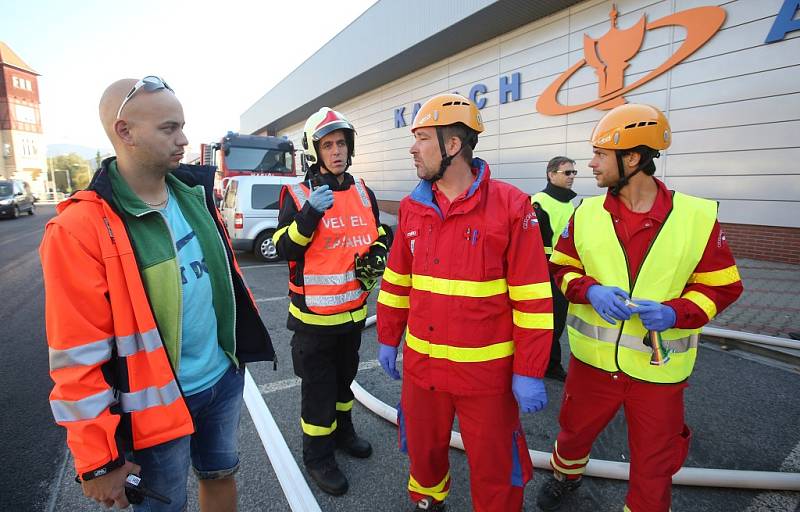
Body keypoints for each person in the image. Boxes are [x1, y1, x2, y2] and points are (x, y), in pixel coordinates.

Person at [39, 77, 274, 511]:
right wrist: (97, 460)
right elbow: (76, 358)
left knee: (221, 477)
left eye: (182, 126)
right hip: (155, 408)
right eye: (169, 128)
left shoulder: (194, 195)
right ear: (124, 131)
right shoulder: (79, 229)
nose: (184, 139)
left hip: (222, 379)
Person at [536, 103, 743, 512]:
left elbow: (723, 286)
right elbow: (561, 268)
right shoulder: (587, 213)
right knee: (573, 435)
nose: (590, 165)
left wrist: (677, 313)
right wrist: (589, 290)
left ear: (632, 158)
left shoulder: (697, 216)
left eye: (600, 155)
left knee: (654, 465)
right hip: (592, 365)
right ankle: (566, 476)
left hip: (659, 369)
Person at [376, 93, 554, 512]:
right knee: (423, 453)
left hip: (486, 380)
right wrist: (388, 337)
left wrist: (529, 370)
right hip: (423, 372)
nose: (412, 148)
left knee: (496, 468)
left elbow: (532, 299)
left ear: (453, 145)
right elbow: (397, 282)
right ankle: (427, 503)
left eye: (422, 138)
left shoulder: (512, 206)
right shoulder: (412, 207)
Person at [272, 107, 388, 495]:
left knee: (344, 384)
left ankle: (343, 434)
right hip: (314, 321)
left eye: (341, 143)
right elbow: (284, 247)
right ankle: (318, 456)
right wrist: (308, 216)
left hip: (353, 314)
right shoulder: (298, 194)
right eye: (328, 145)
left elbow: (378, 231)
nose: (336, 151)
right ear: (314, 150)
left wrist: (382, 248)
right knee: (318, 393)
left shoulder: (362, 191)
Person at [530, 156, 578, 382]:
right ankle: (538, 366)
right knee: (547, 323)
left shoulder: (566, 202)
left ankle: (550, 364)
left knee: (556, 323)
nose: (572, 177)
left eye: (573, 173)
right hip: (545, 272)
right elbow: (531, 244)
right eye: (567, 173)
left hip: (561, 271)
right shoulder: (540, 202)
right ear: (551, 174)